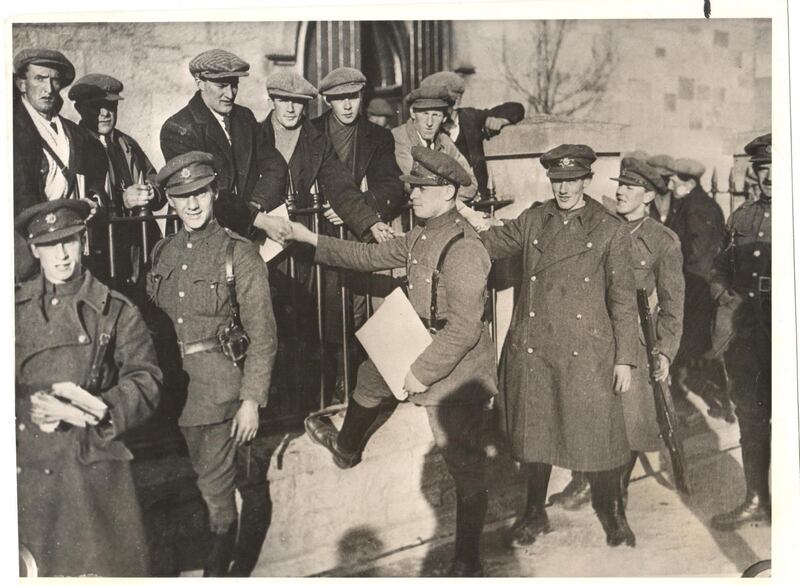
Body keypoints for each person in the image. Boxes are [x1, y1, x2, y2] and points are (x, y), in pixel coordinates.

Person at [290, 147, 497, 577]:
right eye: (414, 188)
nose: (413, 196)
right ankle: (346, 449)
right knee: (369, 376)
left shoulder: (464, 248)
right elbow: (369, 257)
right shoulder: (425, 232)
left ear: (447, 193)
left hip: (456, 364)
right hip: (421, 335)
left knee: (462, 462)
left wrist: (420, 372)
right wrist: (309, 240)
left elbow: (464, 329)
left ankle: (467, 559)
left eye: (422, 189)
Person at [480, 144, 640, 548]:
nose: (564, 188)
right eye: (557, 180)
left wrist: (625, 359)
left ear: (587, 181)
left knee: (600, 436)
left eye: (572, 180)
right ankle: (534, 512)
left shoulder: (610, 229)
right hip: (536, 348)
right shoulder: (535, 219)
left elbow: (622, 300)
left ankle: (615, 512)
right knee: (536, 436)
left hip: (586, 350)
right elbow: (493, 242)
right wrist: (453, 223)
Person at [147, 151, 278, 576]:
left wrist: (251, 400)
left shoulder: (238, 254)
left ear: (214, 192)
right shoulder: (163, 251)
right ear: (169, 200)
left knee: (218, 500)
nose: (192, 204)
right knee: (185, 500)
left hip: (215, 395)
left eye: (199, 192)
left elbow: (263, 335)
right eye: (181, 195)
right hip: (167, 396)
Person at [15, 199, 162, 576]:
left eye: (70, 241)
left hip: (92, 468)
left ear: (84, 241)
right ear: (35, 250)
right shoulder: (13, 310)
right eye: (50, 245)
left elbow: (146, 380)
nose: (61, 255)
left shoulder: (114, 309)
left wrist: (96, 407)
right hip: (29, 469)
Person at [550, 157, 685, 511]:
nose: (621, 192)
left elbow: (672, 304)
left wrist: (666, 352)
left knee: (625, 421)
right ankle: (583, 479)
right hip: (593, 335)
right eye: (620, 185)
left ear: (649, 197)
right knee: (586, 411)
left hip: (636, 344)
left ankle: (612, 491)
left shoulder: (662, 241)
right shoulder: (598, 226)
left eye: (630, 187)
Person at [708, 133, 771, 531]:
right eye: (763, 174)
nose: (769, 182)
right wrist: (722, 296)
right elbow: (719, 267)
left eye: (778, 174)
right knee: (750, 416)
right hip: (748, 329)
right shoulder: (741, 217)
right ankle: (756, 498)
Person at [160, 48, 288, 240]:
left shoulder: (244, 118)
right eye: (221, 86)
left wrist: (256, 205)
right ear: (199, 83)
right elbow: (203, 190)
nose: (230, 94)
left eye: (234, 85)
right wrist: (257, 219)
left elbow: (275, 166)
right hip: (202, 237)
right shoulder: (179, 128)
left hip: (248, 233)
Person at [13, 49, 109, 280]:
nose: (48, 89)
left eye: (54, 80)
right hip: (29, 245)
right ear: (22, 84)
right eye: (40, 78)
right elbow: (18, 195)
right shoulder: (11, 130)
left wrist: (94, 201)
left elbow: (94, 178)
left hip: (71, 241)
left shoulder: (76, 134)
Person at [69, 73, 166, 292]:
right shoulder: (75, 146)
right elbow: (80, 197)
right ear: (80, 109)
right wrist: (121, 201)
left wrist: (151, 192)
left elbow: (156, 179)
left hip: (139, 244)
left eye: (111, 106)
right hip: (101, 247)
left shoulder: (127, 143)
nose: (105, 114)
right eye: (96, 107)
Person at [661, 157, 725, 404]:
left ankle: (713, 398)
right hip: (695, 283)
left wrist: (676, 278)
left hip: (697, 285)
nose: (669, 185)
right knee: (695, 344)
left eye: (673, 180)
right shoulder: (690, 203)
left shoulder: (697, 207)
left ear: (687, 181)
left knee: (698, 344)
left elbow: (698, 253)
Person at [312, 67, 405, 225]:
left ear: (361, 96)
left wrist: (352, 209)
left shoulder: (379, 136)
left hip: (360, 228)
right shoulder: (311, 132)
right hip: (318, 226)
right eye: (340, 98)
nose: (347, 106)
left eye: (353, 97)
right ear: (327, 100)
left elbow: (392, 186)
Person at [420, 71, 525, 199]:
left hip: (477, 200)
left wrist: (501, 120)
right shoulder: (426, 127)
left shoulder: (470, 118)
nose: (437, 110)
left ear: (457, 101)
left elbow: (516, 108)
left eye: (443, 103)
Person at [646, 154, 678, 225]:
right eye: (658, 177)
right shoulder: (644, 197)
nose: (663, 182)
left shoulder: (678, 200)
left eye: (666, 177)